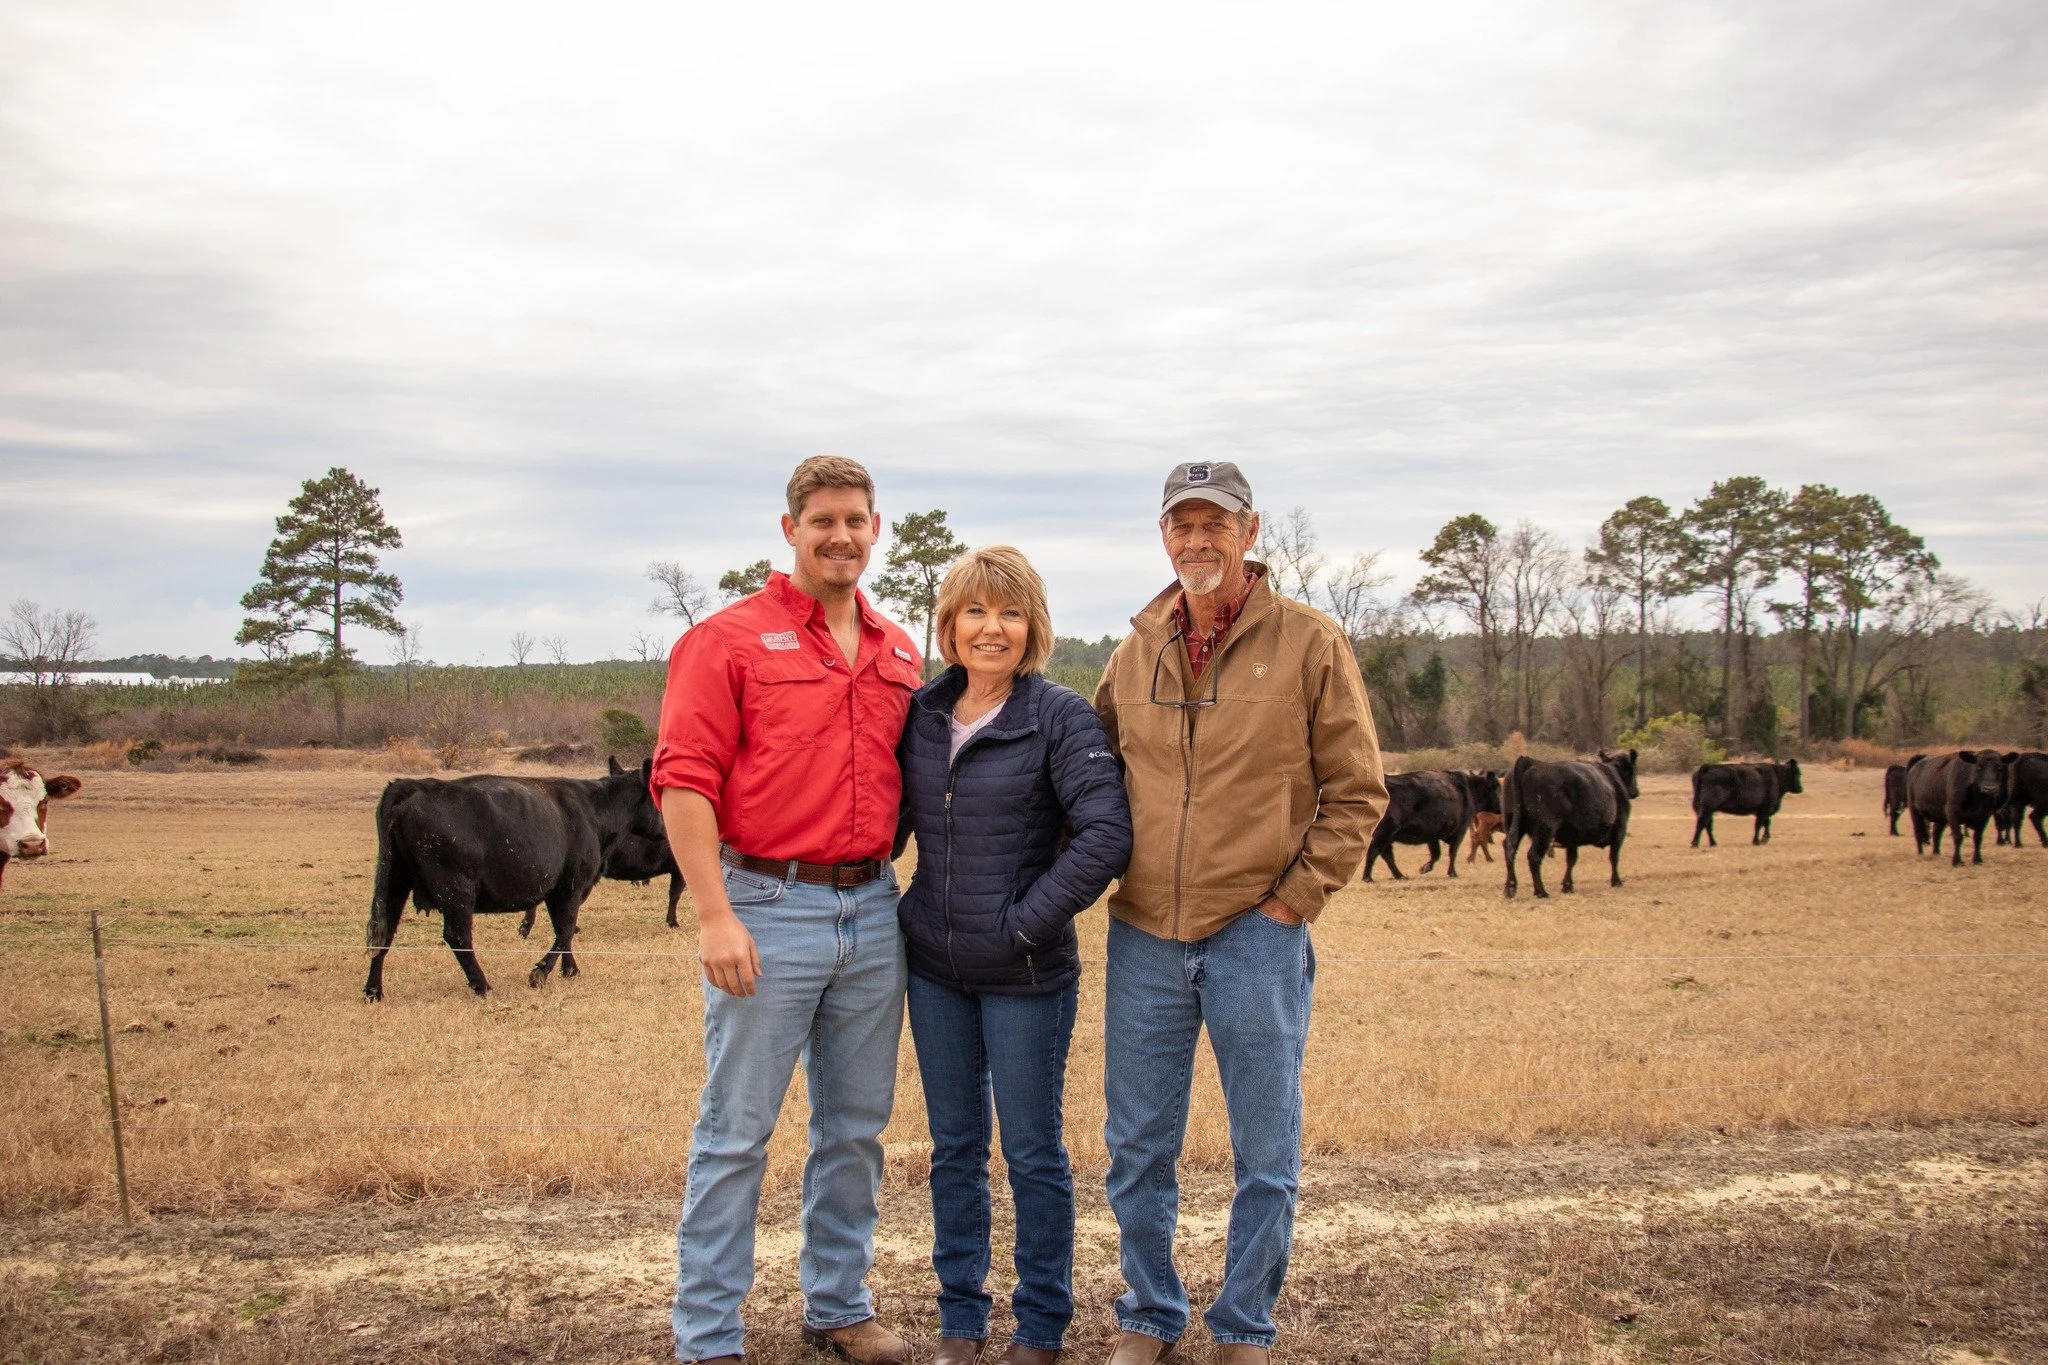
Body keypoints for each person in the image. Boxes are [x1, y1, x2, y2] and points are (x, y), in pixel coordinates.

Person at [1092, 462, 1387, 1365]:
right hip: (1145, 931)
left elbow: (1358, 792)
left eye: (1215, 523)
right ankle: (1149, 1313)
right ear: (1163, 535)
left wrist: (1292, 901)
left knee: (1265, 1144)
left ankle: (1244, 1325)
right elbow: (1092, 780)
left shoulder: (1310, 642)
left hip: (1256, 931)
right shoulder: (1134, 651)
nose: (1198, 540)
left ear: (1250, 531)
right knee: (1137, 1145)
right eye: (1181, 524)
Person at [654, 456, 925, 1365]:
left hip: (873, 907)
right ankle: (707, 1334)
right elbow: (684, 780)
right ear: (790, 529)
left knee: (855, 1128)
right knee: (736, 1133)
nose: (840, 535)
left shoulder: (897, 650)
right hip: (766, 904)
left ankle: (839, 1304)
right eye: (822, 521)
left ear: (875, 529)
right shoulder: (726, 641)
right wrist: (714, 914)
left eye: (856, 520)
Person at [895, 546, 1133, 1365]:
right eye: (974, 610)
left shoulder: (1059, 716)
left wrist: (1021, 924)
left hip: (1026, 973)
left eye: (1010, 612)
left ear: (1033, 626)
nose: (991, 628)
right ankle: (961, 1321)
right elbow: (886, 820)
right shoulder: (923, 714)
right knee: (954, 1150)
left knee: (1032, 1152)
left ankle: (1039, 1326)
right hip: (935, 970)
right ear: (949, 624)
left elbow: (1106, 835)